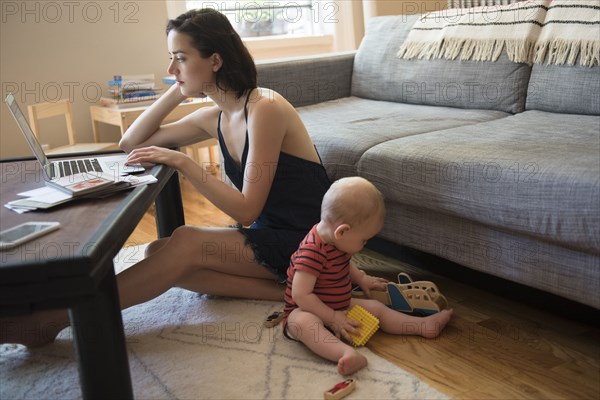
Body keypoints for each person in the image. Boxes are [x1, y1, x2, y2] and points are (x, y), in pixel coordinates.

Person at [0, 8, 330, 347]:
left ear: (215, 60)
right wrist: (178, 88)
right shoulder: (213, 116)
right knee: (159, 251)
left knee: (185, 243)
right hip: (271, 236)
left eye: (181, 59)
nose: (171, 69)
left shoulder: (265, 108)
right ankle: (286, 292)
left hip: (311, 245)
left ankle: (56, 320)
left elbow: (246, 210)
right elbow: (131, 142)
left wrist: (183, 162)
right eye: (171, 59)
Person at [282, 177, 454, 376]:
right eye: (364, 240)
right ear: (342, 231)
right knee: (305, 324)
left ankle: (422, 325)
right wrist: (331, 317)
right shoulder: (311, 251)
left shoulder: (337, 241)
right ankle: (345, 353)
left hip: (339, 306)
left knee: (377, 309)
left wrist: (362, 279)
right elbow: (301, 296)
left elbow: (345, 263)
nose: (364, 245)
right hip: (306, 311)